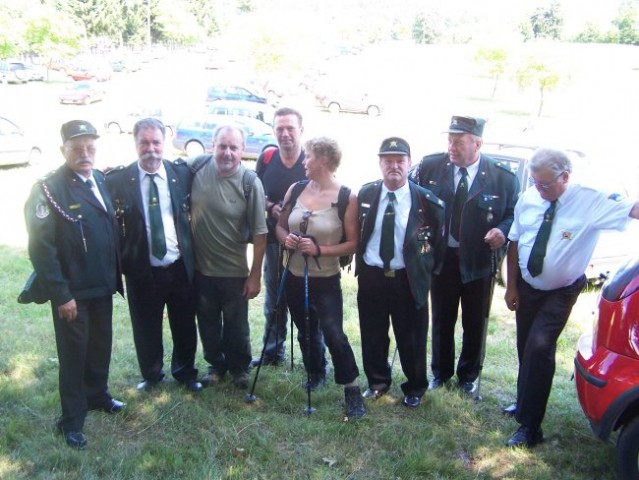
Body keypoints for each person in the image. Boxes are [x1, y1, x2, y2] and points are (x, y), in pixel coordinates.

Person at [504, 148, 639, 448]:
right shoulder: (529, 197)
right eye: (535, 183)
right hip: (527, 288)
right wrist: (511, 286)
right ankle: (523, 402)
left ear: (565, 176)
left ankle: (530, 427)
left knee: (539, 347)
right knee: (526, 347)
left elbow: (633, 210)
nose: (539, 190)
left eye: (546, 185)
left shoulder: (589, 200)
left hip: (562, 290)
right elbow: (515, 240)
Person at [23, 120, 125, 449]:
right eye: (76, 148)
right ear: (62, 150)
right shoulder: (49, 189)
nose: (85, 154)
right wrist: (61, 294)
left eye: (90, 147)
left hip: (101, 286)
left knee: (99, 347)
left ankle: (98, 396)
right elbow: (42, 248)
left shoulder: (98, 179)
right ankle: (71, 420)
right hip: (73, 294)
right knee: (73, 356)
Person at [412, 115, 519, 394]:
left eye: (458, 142)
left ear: (477, 143)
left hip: (479, 261)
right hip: (442, 258)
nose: (452, 147)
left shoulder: (502, 178)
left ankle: (468, 376)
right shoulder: (431, 166)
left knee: (475, 323)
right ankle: (441, 373)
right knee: (442, 320)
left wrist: (502, 230)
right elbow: (413, 201)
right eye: (449, 140)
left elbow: (513, 215)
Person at [105, 118, 202, 393]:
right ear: (135, 144)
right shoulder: (118, 180)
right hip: (142, 268)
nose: (151, 148)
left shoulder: (180, 173)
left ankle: (185, 372)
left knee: (184, 323)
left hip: (179, 266)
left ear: (165, 143)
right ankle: (151, 374)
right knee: (145, 326)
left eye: (156, 142)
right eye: (144, 143)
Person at [276, 136, 365, 419]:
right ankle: (316, 371)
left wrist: (319, 249)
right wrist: (286, 239)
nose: (304, 162)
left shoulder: (346, 197)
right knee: (305, 328)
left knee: (334, 334)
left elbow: (353, 243)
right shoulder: (297, 188)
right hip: (293, 274)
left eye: (308, 157)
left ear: (323, 160)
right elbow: (278, 227)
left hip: (325, 279)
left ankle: (351, 389)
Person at [356, 137, 445, 408]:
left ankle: (415, 387)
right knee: (372, 333)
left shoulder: (427, 201)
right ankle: (377, 382)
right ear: (380, 163)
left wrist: (424, 274)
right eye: (388, 161)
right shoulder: (366, 194)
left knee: (412, 337)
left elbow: (438, 246)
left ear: (409, 163)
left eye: (399, 161)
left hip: (408, 278)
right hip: (373, 275)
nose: (394, 166)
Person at [190, 125, 267, 390]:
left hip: (235, 272)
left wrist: (255, 276)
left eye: (234, 147)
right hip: (201, 270)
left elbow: (260, 233)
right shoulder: (196, 168)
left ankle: (240, 368)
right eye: (222, 146)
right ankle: (216, 366)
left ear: (242, 150)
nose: (227, 152)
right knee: (208, 324)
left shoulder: (250, 182)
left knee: (236, 326)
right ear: (212, 145)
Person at [252, 107, 326, 367]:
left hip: (305, 244)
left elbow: (326, 192)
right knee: (274, 296)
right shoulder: (267, 157)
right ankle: (272, 350)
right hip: (274, 240)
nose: (285, 134)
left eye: (290, 128)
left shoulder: (312, 159)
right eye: (280, 129)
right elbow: (256, 192)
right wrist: (272, 205)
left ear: (301, 131)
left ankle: (317, 358)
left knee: (309, 302)